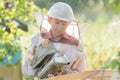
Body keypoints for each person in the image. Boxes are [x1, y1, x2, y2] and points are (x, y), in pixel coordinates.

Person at [22, 2, 88, 80]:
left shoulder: (74, 44)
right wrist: (39, 54)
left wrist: (63, 73)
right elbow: (27, 70)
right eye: (57, 22)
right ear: (49, 20)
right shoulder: (38, 39)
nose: (60, 27)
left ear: (69, 23)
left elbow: (82, 74)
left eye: (64, 24)